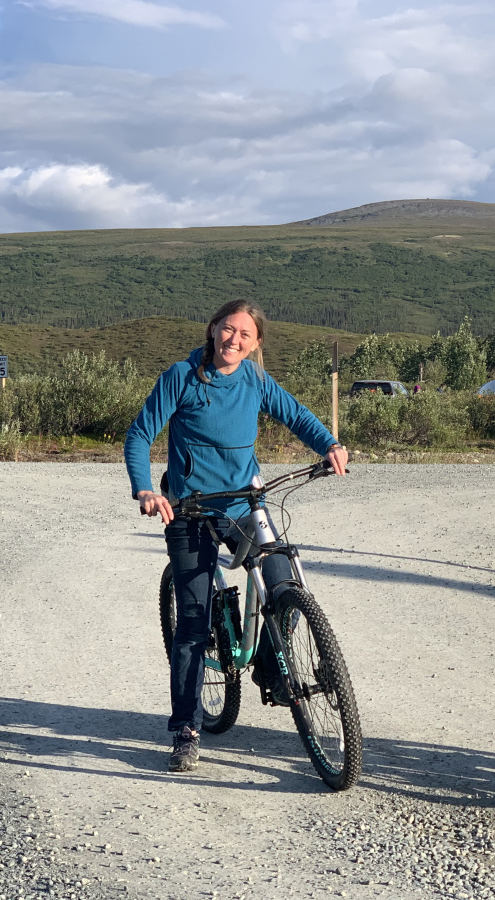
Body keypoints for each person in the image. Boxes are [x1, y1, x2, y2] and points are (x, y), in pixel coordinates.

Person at [124, 299, 347, 773]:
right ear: (212, 330)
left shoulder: (255, 380)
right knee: (191, 622)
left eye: (245, 335)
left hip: (246, 502)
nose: (234, 340)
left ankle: (274, 666)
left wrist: (329, 444)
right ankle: (186, 728)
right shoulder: (181, 377)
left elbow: (297, 416)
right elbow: (140, 434)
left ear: (256, 343)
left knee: (283, 578)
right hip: (190, 508)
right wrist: (146, 488)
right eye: (228, 330)